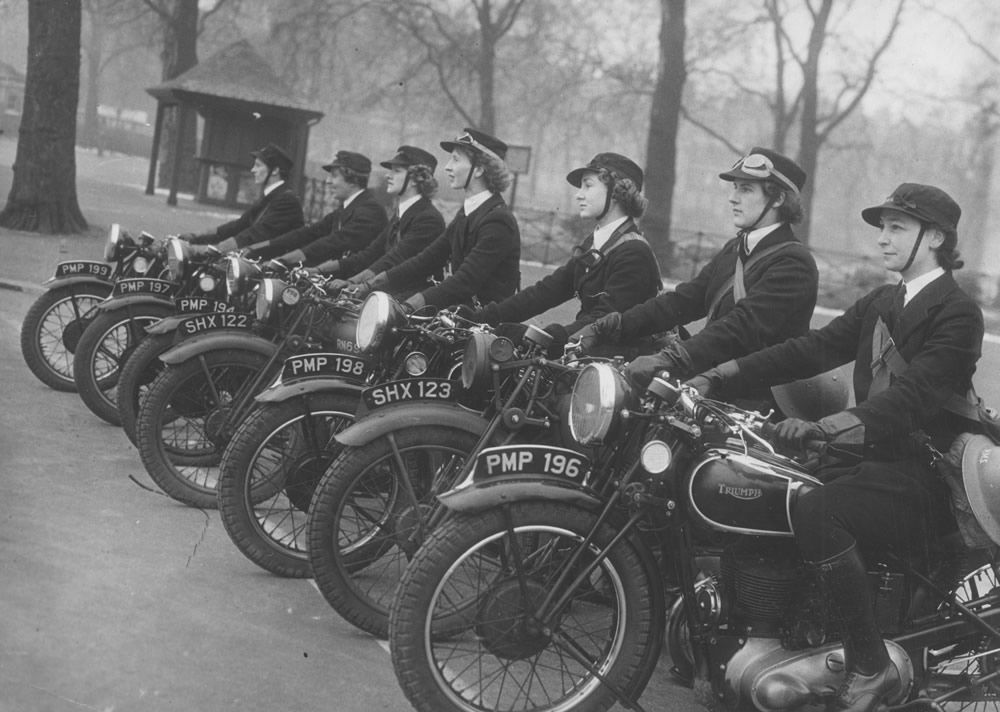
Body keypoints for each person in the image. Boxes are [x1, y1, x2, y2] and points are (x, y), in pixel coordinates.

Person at [689, 183, 983, 712]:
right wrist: (720, 374)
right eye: (882, 227)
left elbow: (912, 399)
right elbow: (814, 348)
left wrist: (827, 428)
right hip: (872, 463)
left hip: (921, 475)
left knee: (818, 508)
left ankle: (869, 665)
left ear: (936, 237)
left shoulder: (958, 313)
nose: (883, 238)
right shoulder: (884, 300)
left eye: (898, 228)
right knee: (771, 484)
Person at [574, 147, 818, 395]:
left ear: (778, 199)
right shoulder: (736, 248)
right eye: (735, 188)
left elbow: (741, 327)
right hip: (709, 385)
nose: (733, 198)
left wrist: (671, 358)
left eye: (746, 189)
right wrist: (612, 325)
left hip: (753, 402)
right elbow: (685, 300)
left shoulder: (793, 263)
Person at [466, 152, 661, 356]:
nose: (579, 194)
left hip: (614, 370)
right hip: (583, 354)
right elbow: (546, 292)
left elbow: (603, 322)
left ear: (615, 192)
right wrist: (483, 317)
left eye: (588, 185)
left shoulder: (634, 252)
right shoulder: (596, 243)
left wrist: (545, 337)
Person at [354, 128, 520, 312]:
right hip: (459, 315)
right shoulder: (469, 212)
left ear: (479, 169)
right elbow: (427, 259)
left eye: (456, 159)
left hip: (483, 327)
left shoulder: (498, 221)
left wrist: (409, 305)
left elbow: (464, 281)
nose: (448, 167)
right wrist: (367, 285)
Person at [314, 145, 446, 300]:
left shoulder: (428, 219)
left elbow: (395, 259)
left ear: (415, 180)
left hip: (411, 302)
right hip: (389, 293)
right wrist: (321, 271)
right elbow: (370, 254)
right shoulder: (401, 214)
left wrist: (360, 284)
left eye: (396, 171)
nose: (388, 176)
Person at [247, 150, 388, 265]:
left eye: (334, 176)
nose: (328, 182)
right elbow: (309, 233)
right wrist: (257, 248)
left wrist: (286, 260)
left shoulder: (371, 212)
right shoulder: (346, 209)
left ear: (353, 181)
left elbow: (333, 242)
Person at [181, 143, 304, 251]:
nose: (253, 170)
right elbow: (238, 226)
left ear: (275, 171)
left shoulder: (287, 200)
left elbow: (255, 235)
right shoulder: (271, 195)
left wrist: (216, 249)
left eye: (258, 165)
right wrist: (194, 237)